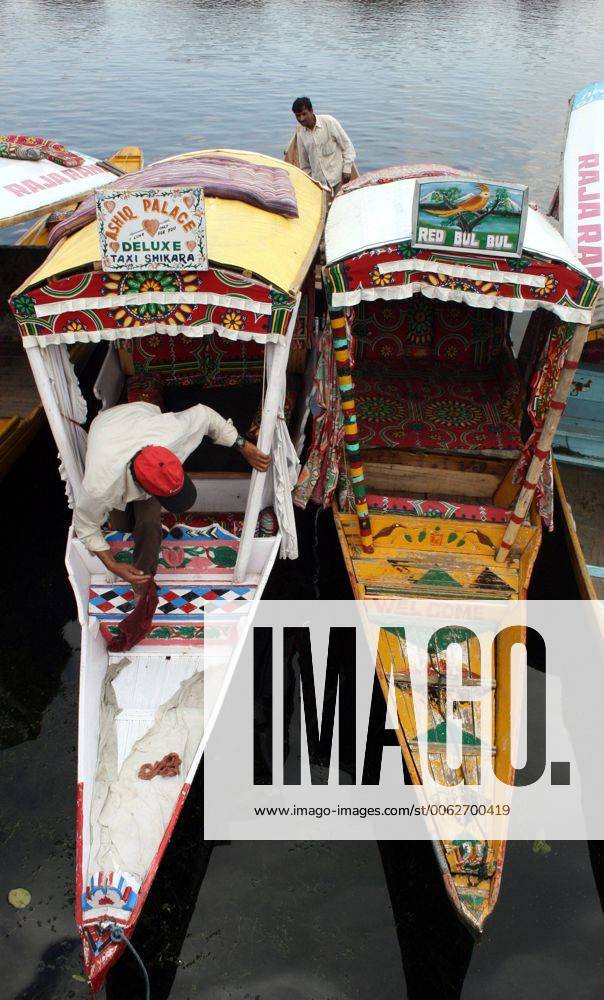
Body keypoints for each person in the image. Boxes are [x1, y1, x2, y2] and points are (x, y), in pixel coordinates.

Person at [73, 400, 270, 592]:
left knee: (149, 523)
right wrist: (112, 565)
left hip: (141, 416)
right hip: (104, 428)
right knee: (120, 524)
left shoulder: (173, 432)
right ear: (145, 489)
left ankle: (142, 586)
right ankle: (126, 541)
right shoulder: (100, 486)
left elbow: (206, 415)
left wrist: (245, 447)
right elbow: (85, 526)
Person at [291, 97, 356, 194]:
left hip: (339, 179)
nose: (301, 119)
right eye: (298, 116)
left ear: (311, 111)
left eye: (304, 114)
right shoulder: (301, 135)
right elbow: (305, 164)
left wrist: (347, 169)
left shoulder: (329, 122)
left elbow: (347, 147)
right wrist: (311, 184)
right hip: (320, 184)